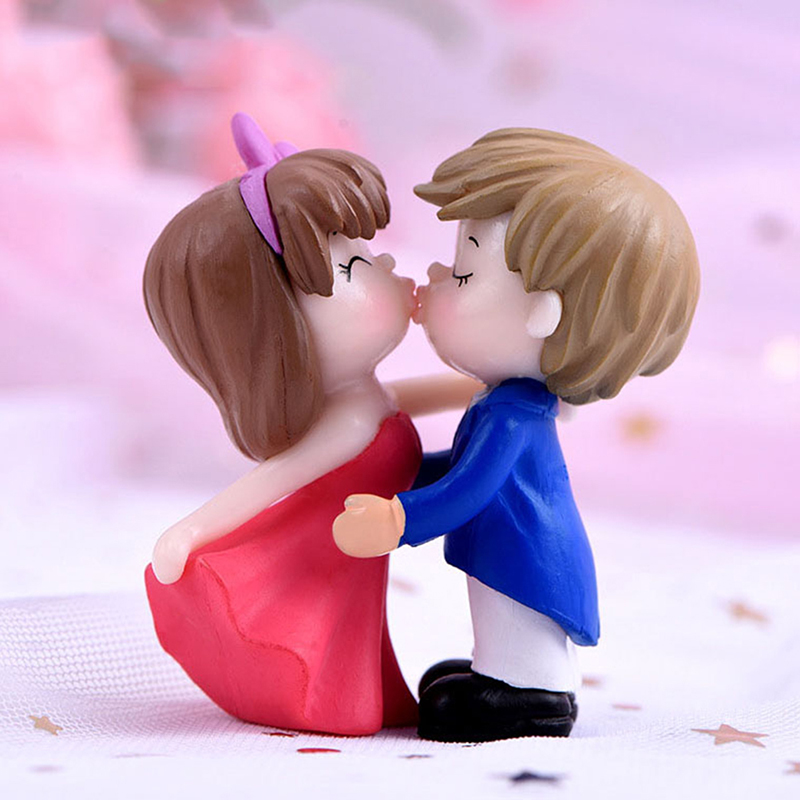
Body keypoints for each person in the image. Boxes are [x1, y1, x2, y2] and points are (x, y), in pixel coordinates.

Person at [333, 128, 701, 742]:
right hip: (515, 550)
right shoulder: (512, 405)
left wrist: (399, 520)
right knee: (492, 626)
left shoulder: (513, 416)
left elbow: (470, 489)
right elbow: (462, 468)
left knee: (511, 624)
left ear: (543, 313)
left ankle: (531, 694)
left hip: (526, 560)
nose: (436, 276)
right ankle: (504, 677)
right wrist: (401, 468)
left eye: (464, 271)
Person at [143, 113, 443, 736]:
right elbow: (277, 478)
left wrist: (483, 385)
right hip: (321, 560)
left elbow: (404, 400)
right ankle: (332, 698)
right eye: (355, 267)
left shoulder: (364, 402)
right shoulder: (344, 423)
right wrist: (189, 531)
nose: (388, 264)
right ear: (277, 330)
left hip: (354, 556)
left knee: (361, 629)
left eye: (368, 253)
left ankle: (366, 693)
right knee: (332, 638)